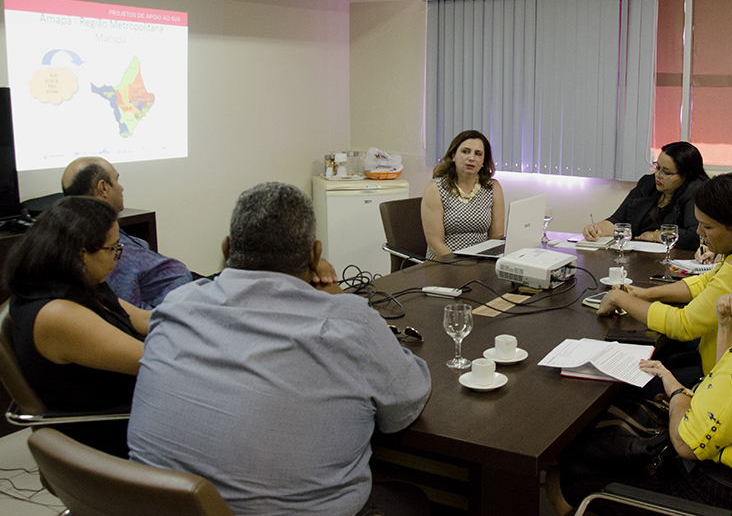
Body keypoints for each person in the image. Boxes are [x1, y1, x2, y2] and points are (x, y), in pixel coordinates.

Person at [127, 182, 432, 516]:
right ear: (316, 255)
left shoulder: (176, 305)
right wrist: (338, 304)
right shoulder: (349, 321)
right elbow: (404, 406)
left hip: (158, 506)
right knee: (409, 499)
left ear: (227, 248)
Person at [560, 220, 732, 512]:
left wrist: (676, 396)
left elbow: (686, 443)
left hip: (707, 490)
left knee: (570, 469)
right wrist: (727, 327)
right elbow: (731, 392)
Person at [3, 196, 151, 458]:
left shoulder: (76, 281)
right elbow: (153, 362)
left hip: (136, 407)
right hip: (112, 431)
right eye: (114, 248)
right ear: (81, 253)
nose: (118, 256)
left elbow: (141, 319)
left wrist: (198, 316)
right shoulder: (58, 315)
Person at [595, 173, 732, 381]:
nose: (699, 232)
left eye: (707, 227)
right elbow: (705, 282)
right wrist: (646, 294)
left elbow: (684, 325)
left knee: (629, 382)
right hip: (710, 357)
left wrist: (621, 299)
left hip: (714, 373)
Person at [61, 156, 193, 309]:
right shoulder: (104, 248)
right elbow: (132, 315)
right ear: (103, 188)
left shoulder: (102, 227)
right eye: (116, 180)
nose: (121, 188)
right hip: (174, 309)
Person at [583, 142, 709, 251]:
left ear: (686, 175)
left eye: (666, 172)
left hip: (674, 260)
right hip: (637, 258)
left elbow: (694, 237)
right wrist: (597, 229)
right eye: (657, 167)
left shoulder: (695, 192)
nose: (658, 175)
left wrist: (656, 236)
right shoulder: (647, 184)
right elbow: (618, 220)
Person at [422, 130, 505, 259]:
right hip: (445, 263)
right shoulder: (436, 188)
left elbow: (496, 238)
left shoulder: (493, 188)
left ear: (483, 161)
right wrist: (462, 266)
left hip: (480, 262)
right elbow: (435, 244)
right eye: (465, 151)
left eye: (478, 154)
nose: (471, 158)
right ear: (454, 155)